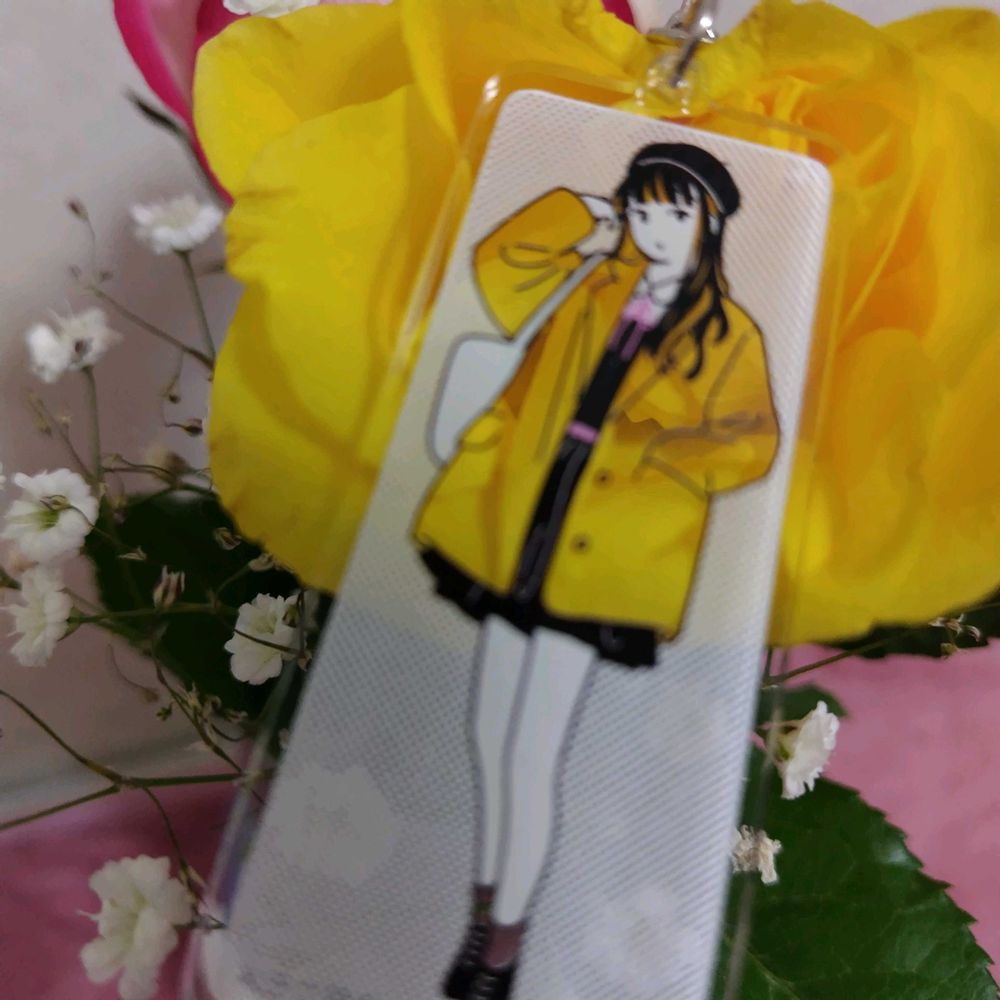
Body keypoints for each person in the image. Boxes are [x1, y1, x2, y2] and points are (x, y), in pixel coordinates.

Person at [412, 143, 780, 1000]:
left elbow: (752, 442)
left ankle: (503, 944)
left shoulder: (730, 333)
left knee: (532, 749)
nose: (655, 229)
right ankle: (483, 911)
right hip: (525, 519)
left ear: (709, 225)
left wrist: (659, 447)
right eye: (641, 209)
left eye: (675, 213)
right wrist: (578, 216)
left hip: (608, 546)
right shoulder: (595, 282)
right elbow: (498, 271)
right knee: (488, 730)